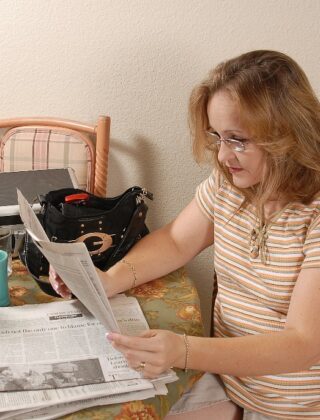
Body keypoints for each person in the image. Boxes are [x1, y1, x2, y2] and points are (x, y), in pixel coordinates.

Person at [50, 50, 320, 419]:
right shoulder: (230, 185)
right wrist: (108, 280)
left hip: (291, 408)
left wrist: (183, 351)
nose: (224, 156)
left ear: (286, 134)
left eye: (238, 140)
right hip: (228, 383)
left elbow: (303, 344)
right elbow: (177, 241)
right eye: (218, 137)